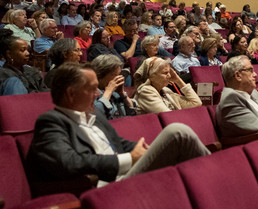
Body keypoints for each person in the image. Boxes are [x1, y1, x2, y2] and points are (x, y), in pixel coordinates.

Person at [27, 63, 209, 186]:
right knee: (177, 132)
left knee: (177, 147)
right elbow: (69, 162)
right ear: (70, 94)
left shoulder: (95, 115)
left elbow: (119, 144)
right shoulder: (51, 122)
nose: (98, 94)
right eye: (91, 89)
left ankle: (209, 185)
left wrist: (150, 151)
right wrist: (130, 158)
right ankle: (215, 180)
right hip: (108, 184)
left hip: (126, 173)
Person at [133, 57, 201, 114]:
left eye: (169, 72)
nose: (169, 75)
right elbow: (168, 116)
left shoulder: (166, 90)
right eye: (165, 73)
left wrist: (178, 79)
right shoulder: (145, 91)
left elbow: (196, 103)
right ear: (152, 76)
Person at [90, 54, 136, 119]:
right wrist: (108, 91)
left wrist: (122, 94)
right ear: (100, 75)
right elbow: (96, 116)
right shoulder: (91, 93)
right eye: (114, 75)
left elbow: (132, 113)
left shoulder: (115, 93)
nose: (118, 78)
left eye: (119, 74)